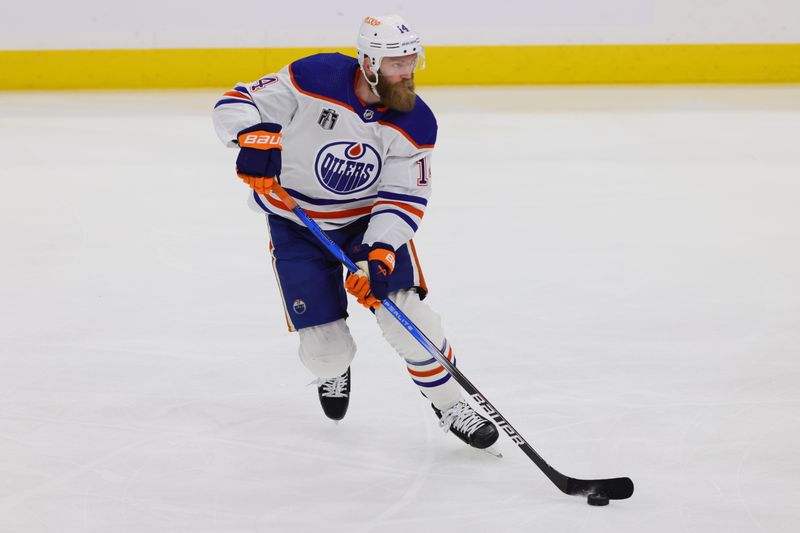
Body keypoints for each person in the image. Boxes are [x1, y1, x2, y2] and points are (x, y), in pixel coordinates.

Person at [212, 14, 498, 450]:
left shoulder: (416, 121)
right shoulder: (314, 77)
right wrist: (253, 137)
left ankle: (449, 404)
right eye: (395, 65)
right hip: (296, 223)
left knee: (409, 320)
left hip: (366, 226)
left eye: (410, 62)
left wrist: (380, 250)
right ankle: (333, 371)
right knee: (327, 352)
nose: (406, 74)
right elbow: (236, 102)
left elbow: (404, 195)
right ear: (367, 62)